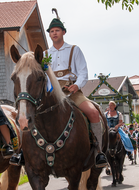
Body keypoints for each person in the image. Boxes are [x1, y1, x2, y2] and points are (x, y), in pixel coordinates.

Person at [41, 10, 108, 168]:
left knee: (92, 112)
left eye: (57, 30)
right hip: (51, 93)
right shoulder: (44, 54)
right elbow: (42, 76)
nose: (54, 33)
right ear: (49, 35)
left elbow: (83, 72)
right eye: (51, 31)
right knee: (32, 114)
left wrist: (76, 85)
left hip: (72, 91)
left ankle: (98, 151)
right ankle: (26, 153)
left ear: (63, 32)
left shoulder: (74, 50)